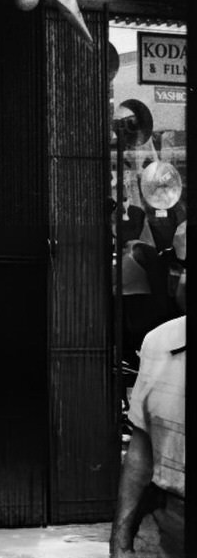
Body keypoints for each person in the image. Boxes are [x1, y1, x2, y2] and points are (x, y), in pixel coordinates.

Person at [110, 227, 185, 558]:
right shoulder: (158, 343)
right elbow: (139, 457)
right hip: (168, 523)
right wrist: (121, 543)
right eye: (182, 268)